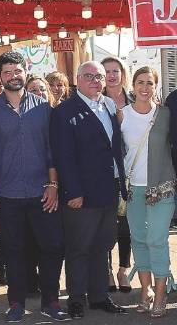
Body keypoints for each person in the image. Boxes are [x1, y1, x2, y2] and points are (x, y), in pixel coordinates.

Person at [0, 51, 66, 322]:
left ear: (26, 71)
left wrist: (53, 184)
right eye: (7, 72)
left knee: (52, 247)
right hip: (7, 194)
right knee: (15, 251)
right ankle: (15, 303)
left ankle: (51, 301)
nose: (13, 76)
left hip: (43, 192)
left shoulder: (43, 106)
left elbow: (53, 150)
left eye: (17, 71)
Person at [50, 61, 128, 319]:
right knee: (79, 248)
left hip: (108, 189)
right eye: (89, 76)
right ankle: (76, 299)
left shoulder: (108, 105)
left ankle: (99, 297)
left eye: (99, 76)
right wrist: (73, 192)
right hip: (81, 194)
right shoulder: (64, 111)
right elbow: (64, 156)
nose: (95, 81)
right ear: (77, 79)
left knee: (102, 246)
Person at [118, 67, 174, 318]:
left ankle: (161, 296)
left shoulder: (166, 114)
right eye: (140, 82)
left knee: (157, 240)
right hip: (134, 190)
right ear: (133, 85)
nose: (144, 88)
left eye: (149, 83)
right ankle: (146, 292)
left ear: (156, 86)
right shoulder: (122, 115)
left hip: (162, 188)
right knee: (139, 240)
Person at [100, 56, 133, 294]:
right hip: (105, 172)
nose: (112, 75)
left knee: (127, 225)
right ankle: (106, 269)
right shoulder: (97, 101)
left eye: (115, 70)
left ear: (123, 73)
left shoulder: (136, 97)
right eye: (107, 71)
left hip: (132, 171)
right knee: (106, 224)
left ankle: (123, 269)